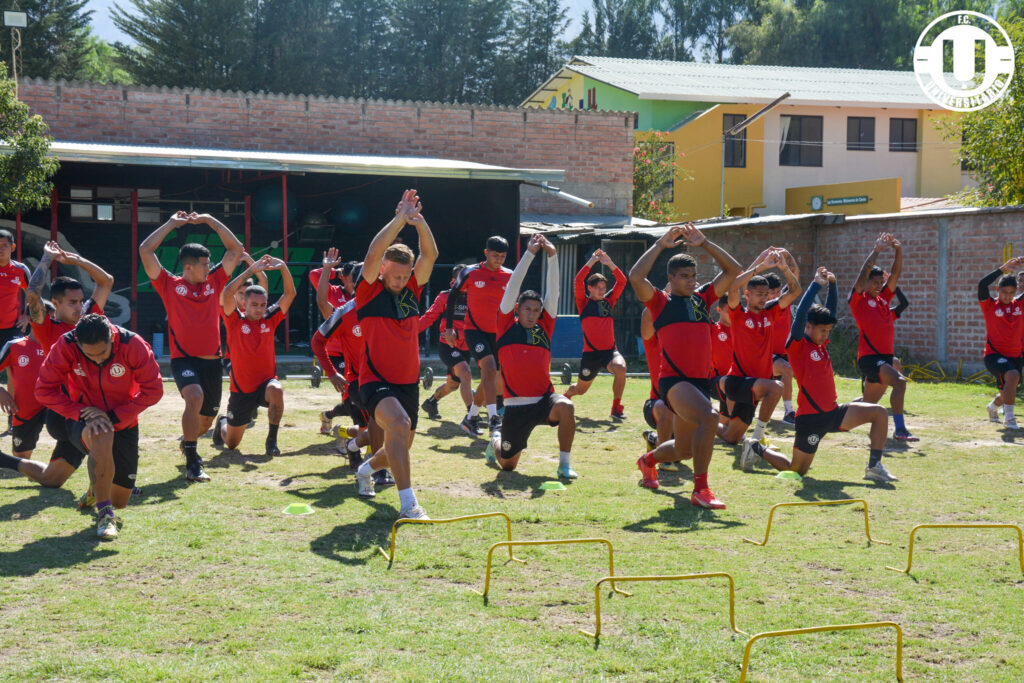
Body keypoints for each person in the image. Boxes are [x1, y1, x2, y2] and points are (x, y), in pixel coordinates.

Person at [739, 268, 896, 482]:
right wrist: (815, 284)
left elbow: (830, 311)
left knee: (878, 413)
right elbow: (801, 314)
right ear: (809, 327)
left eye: (828, 331)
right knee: (797, 471)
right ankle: (755, 447)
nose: (826, 335)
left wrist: (833, 283)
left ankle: (874, 467)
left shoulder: (821, 344)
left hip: (833, 413)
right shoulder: (797, 345)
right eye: (822, 331)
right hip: (811, 419)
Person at [629, 223, 742, 508]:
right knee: (709, 417)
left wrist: (704, 243)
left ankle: (647, 460)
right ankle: (701, 490)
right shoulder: (660, 302)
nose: (691, 281)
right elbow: (635, 276)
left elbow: (733, 270)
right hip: (674, 381)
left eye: (693, 276)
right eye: (684, 277)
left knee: (683, 449)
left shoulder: (703, 299)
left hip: (699, 382)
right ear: (671, 278)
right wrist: (660, 244)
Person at [34, 314, 163, 539]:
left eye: (102, 353)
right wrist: (80, 413)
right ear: (78, 343)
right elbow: (44, 390)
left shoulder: (133, 344)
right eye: (88, 354)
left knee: (121, 500)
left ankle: (96, 490)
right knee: (101, 432)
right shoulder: (66, 345)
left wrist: (113, 415)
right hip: (82, 419)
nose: (96, 360)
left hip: (124, 422)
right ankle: (105, 514)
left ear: (112, 339)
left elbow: (154, 390)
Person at [351, 190, 437, 519]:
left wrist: (419, 222)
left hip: (408, 382)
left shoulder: (413, 288)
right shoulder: (368, 290)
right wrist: (399, 218)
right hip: (375, 380)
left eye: (405, 275)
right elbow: (374, 252)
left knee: (398, 447)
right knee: (398, 424)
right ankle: (409, 505)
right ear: (384, 270)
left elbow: (431, 254)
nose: (401, 281)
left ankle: (364, 471)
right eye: (395, 275)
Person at [140, 210, 243, 482]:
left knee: (206, 420)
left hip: (212, 361)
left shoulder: (216, 281)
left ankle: (189, 440)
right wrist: (171, 224)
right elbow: (146, 250)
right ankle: (193, 460)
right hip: (183, 359)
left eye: (210, 264)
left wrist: (210, 220)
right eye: (204, 264)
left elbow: (236, 249)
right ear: (188, 266)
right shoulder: (168, 285)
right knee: (194, 397)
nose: (209, 268)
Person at [486, 234, 577, 478]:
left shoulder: (545, 326)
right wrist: (529, 254)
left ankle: (564, 465)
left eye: (536, 310)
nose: (533, 314)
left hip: (544, 400)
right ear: (517, 309)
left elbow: (554, 293)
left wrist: (553, 256)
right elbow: (513, 285)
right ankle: (495, 437)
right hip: (516, 406)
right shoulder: (506, 324)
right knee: (508, 466)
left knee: (567, 407)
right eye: (527, 309)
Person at [212, 255, 295, 456]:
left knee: (277, 389)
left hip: (265, 383)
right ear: (244, 303)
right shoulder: (234, 321)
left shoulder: (271, 319)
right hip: (242, 391)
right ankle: (223, 422)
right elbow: (226, 293)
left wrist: (283, 267)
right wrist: (250, 270)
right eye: (254, 305)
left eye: (262, 305)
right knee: (231, 444)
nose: (259, 309)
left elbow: (290, 294)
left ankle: (271, 441)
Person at [717, 248, 801, 446]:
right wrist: (761, 267)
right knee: (776, 387)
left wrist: (784, 268)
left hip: (754, 384)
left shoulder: (770, 312)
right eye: (759, 294)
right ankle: (757, 439)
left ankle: (705, 418)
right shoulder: (739, 314)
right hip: (738, 381)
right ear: (748, 294)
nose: (763, 298)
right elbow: (732, 287)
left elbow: (795, 291)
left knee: (732, 437)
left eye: (766, 294)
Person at [850, 233, 917, 441]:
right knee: (900, 382)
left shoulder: (883, 300)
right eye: (875, 282)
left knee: (867, 407)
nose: (879, 285)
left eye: (881, 282)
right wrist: (877, 250)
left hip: (885, 358)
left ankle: (836, 417)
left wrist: (898, 250)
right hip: (871, 358)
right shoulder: (858, 300)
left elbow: (895, 275)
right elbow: (863, 275)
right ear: (867, 282)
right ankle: (900, 430)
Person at [445, 236, 512, 436]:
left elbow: (513, 305)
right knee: (489, 368)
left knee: (489, 375)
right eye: (495, 255)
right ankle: (494, 419)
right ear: (486, 253)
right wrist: (449, 328)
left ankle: (471, 418)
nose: (498, 260)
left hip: (499, 333)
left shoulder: (509, 275)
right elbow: (452, 297)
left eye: (502, 256)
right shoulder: (470, 272)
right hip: (475, 331)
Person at [565, 249, 628, 418]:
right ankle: (565, 397)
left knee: (621, 368)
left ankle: (616, 408)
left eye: (604, 288)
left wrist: (610, 264)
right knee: (580, 390)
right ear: (590, 288)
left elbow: (622, 282)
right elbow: (578, 280)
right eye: (598, 288)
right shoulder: (583, 303)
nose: (602, 291)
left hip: (610, 352)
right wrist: (592, 261)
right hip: (591, 355)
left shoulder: (609, 302)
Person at [26, 241, 113, 354]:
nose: (79, 307)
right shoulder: (47, 329)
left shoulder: (88, 317)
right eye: (73, 302)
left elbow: (106, 281)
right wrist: (47, 257)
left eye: (81, 301)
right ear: (55, 303)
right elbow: (33, 293)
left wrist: (77, 260)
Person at [310, 256, 354, 435]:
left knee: (354, 399)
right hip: (336, 353)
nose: (356, 283)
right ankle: (351, 435)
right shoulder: (334, 292)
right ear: (344, 278)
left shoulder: (363, 297)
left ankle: (328, 416)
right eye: (353, 279)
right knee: (351, 395)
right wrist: (335, 271)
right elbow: (314, 275)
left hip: (355, 353)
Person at [978, 257, 1024, 429]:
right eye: (1004, 292)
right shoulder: (989, 305)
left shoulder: (1019, 303)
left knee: (1007, 393)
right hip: (994, 355)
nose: (1008, 296)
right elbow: (982, 285)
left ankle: (992, 407)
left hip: (1016, 356)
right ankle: (1010, 419)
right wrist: (1003, 269)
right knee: (1012, 376)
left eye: (1011, 293)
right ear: (997, 290)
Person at [765, 267, 799, 425]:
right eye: (772, 292)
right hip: (764, 356)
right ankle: (789, 412)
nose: (776, 295)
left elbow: (795, 276)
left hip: (782, 354)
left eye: (778, 291)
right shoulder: (762, 307)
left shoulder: (784, 300)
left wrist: (786, 257)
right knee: (787, 369)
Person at [0, 229, 30, 350]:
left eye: (4, 245)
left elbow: (32, 295)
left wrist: (27, 316)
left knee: (13, 365)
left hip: (13, 328)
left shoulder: (21, 270)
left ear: (12, 247)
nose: (0, 249)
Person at [710, 295, 733, 427]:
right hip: (715, 382)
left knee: (724, 425)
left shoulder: (741, 331)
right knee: (729, 382)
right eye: (727, 311)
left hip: (734, 380)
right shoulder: (713, 329)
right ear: (719, 310)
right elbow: (700, 309)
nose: (732, 314)